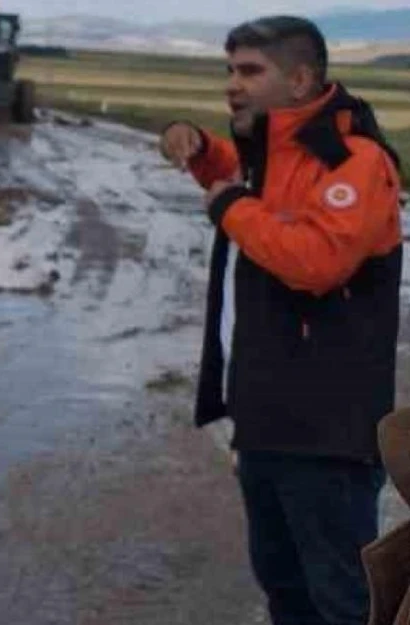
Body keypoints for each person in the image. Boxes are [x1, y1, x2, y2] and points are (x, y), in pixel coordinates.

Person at [158, 15, 404, 625]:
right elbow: (252, 184)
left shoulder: (354, 161)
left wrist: (230, 206)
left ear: (299, 80)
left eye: (249, 71)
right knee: (284, 587)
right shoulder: (273, 150)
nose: (232, 85)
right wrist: (190, 140)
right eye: (229, 70)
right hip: (267, 416)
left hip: (328, 428)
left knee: (345, 598)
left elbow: (315, 262)